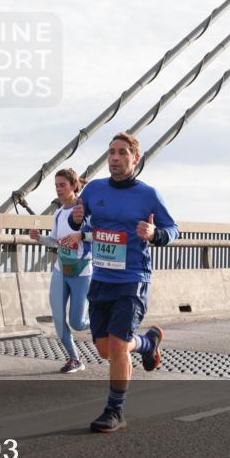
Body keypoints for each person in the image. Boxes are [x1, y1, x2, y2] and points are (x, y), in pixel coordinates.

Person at [68, 132, 178, 433]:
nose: (115, 158)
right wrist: (77, 219)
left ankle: (114, 410)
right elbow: (78, 220)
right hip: (102, 278)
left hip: (133, 279)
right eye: (111, 152)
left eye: (122, 153)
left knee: (117, 346)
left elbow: (173, 230)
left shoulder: (149, 195)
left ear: (135, 158)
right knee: (105, 350)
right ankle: (147, 343)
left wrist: (154, 234)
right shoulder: (93, 190)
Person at [30, 169, 91, 373]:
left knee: (78, 322)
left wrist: (81, 236)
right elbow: (54, 241)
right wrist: (39, 238)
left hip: (81, 273)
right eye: (56, 185)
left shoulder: (84, 212)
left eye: (62, 185)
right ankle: (75, 359)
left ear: (74, 186)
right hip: (61, 270)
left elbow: (96, 236)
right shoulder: (57, 214)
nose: (58, 189)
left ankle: (104, 323)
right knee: (58, 319)